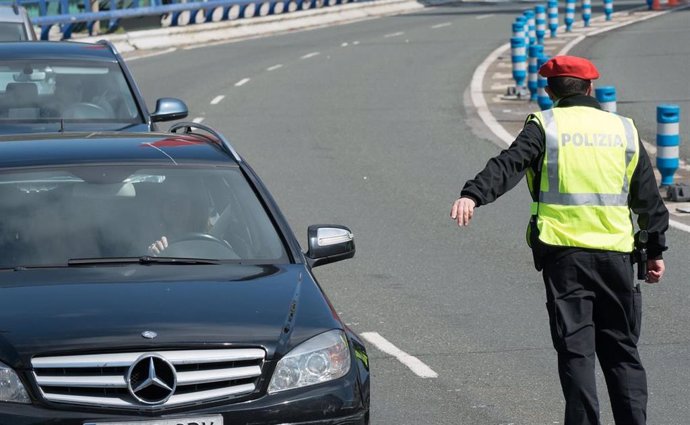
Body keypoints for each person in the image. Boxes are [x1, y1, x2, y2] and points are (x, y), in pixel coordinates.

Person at [449, 56, 669, 425]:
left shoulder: (546, 127)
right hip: (616, 257)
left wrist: (472, 194)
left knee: (577, 353)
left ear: (550, 92)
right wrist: (654, 251)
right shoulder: (624, 130)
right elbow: (648, 199)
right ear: (591, 89)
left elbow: (509, 164)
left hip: (565, 259)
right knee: (622, 353)